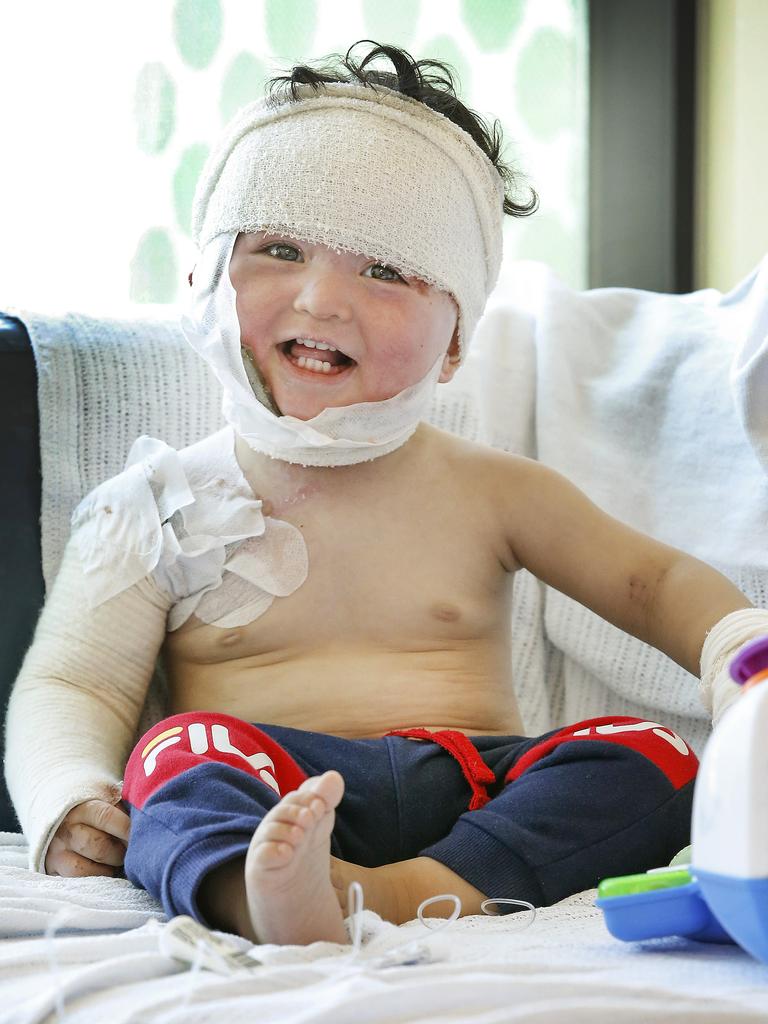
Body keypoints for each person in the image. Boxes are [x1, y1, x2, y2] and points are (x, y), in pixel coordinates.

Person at [5, 42, 766, 947]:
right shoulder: (154, 506)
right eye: (278, 249)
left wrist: (735, 655)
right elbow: (75, 678)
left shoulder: (492, 490)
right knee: (175, 756)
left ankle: (411, 888)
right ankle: (257, 890)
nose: (323, 300)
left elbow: (653, 583)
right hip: (272, 780)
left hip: (480, 788)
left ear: (454, 342)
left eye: (385, 271)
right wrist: (70, 796)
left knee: (659, 756)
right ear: (202, 281)